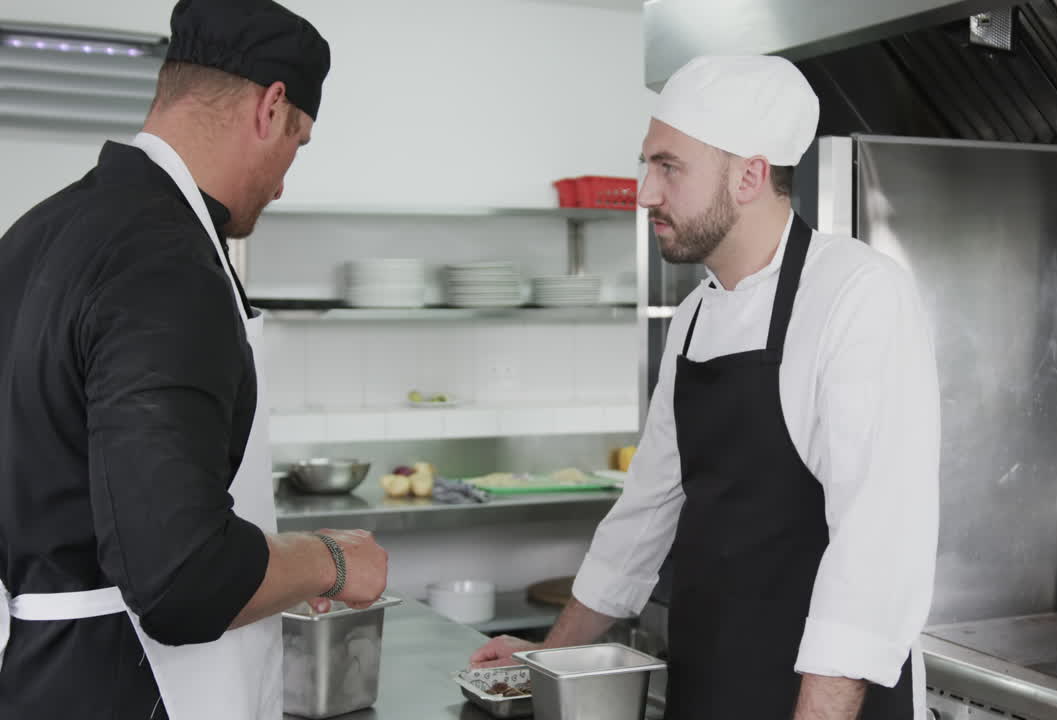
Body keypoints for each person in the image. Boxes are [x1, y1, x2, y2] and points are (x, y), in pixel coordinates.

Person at [472, 55, 940, 719]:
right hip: (711, 684)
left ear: (750, 175)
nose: (643, 192)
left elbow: (876, 551)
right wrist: (547, 657)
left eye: (669, 166)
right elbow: (642, 517)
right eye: (647, 165)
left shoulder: (857, 295)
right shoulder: (695, 316)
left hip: (824, 701)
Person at [0, 1, 388, 718]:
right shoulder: (167, 262)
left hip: (37, 676)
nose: (281, 184)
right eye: (297, 145)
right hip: (134, 688)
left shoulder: (34, 233)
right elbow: (183, 579)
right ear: (271, 108)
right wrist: (332, 559)